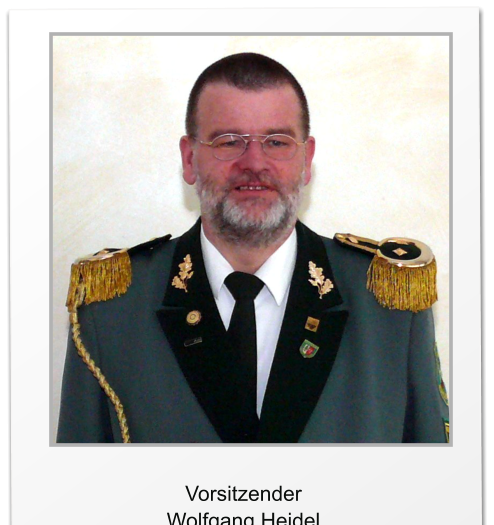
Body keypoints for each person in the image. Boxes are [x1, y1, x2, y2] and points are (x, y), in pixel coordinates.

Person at [57, 52, 449, 444]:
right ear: (189, 159)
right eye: (229, 142)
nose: (255, 162)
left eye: (277, 142)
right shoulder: (112, 311)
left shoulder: (388, 307)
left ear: (307, 160)